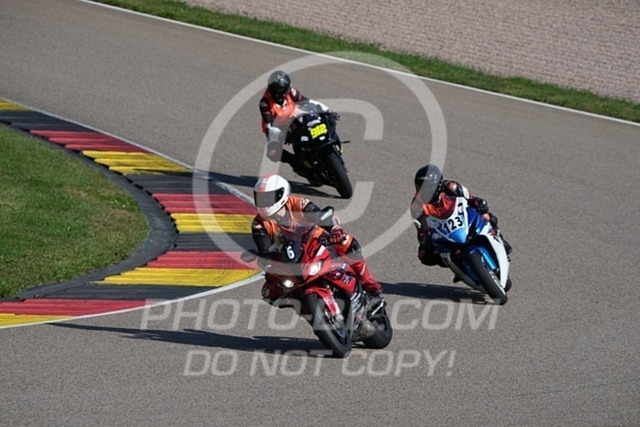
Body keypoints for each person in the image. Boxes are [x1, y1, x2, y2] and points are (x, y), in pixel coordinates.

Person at [251, 174, 382, 304]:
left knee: (347, 242)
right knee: (269, 293)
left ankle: (367, 281)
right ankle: (303, 304)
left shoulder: (299, 203)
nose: (263, 202)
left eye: (267, 198)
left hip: (317, 242)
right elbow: (265, 250)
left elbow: (320, 216)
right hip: (289, 257)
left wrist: (335, 230)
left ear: (281, 194)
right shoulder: (259, 224)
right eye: (260, 198)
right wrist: (265, 261)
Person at [410, 164, 512, 267]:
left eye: (425, 188)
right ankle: (455, 265)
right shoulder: (417, 205)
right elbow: (421, 228)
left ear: (437, 185)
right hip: (440, 229)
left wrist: (478, 202)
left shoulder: (451, 187)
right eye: (419, 187)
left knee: (487, 216)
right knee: (423, 255)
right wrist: (425, 239)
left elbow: (471, 199)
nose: (422, 192)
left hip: (461, 216)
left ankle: (499, 239)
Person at [258, 70, 333, 176]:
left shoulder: (291, 91)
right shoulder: (265, 103)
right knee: (273, 153)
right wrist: (280, 134)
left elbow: (306, 101)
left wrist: (325, 109)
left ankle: (326, 142)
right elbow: (269, 124)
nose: (287, 91)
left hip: (292, 116)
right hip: (276, 127)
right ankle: (296, 163)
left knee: (315, 119)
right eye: (284, 91)